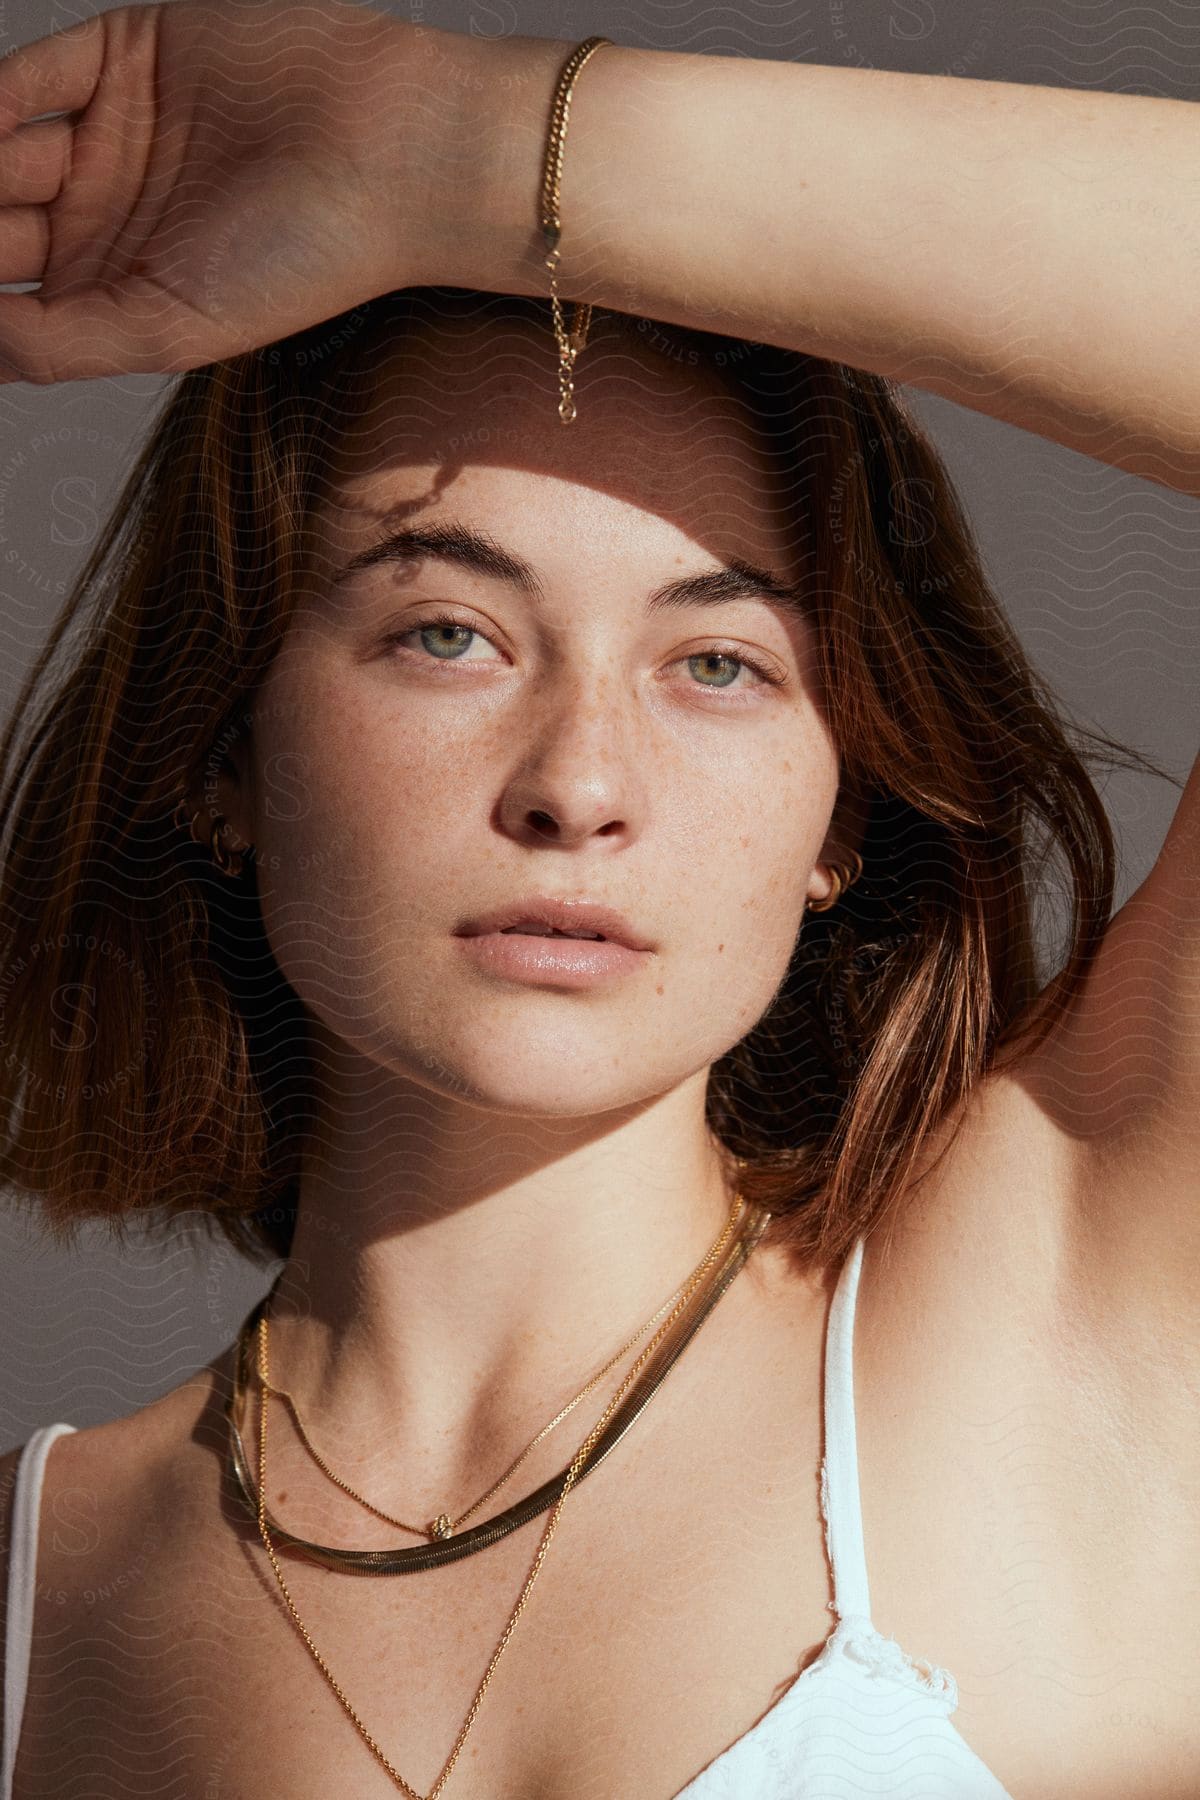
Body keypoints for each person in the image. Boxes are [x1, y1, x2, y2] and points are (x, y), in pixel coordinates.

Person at [0, 5, 1196, 1796]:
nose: (580, 783)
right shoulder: (37, 1602)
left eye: (717, 663)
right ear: (222, 752)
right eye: (448, 634)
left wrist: (450, 149)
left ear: (839, 811)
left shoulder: (1071, 1321)